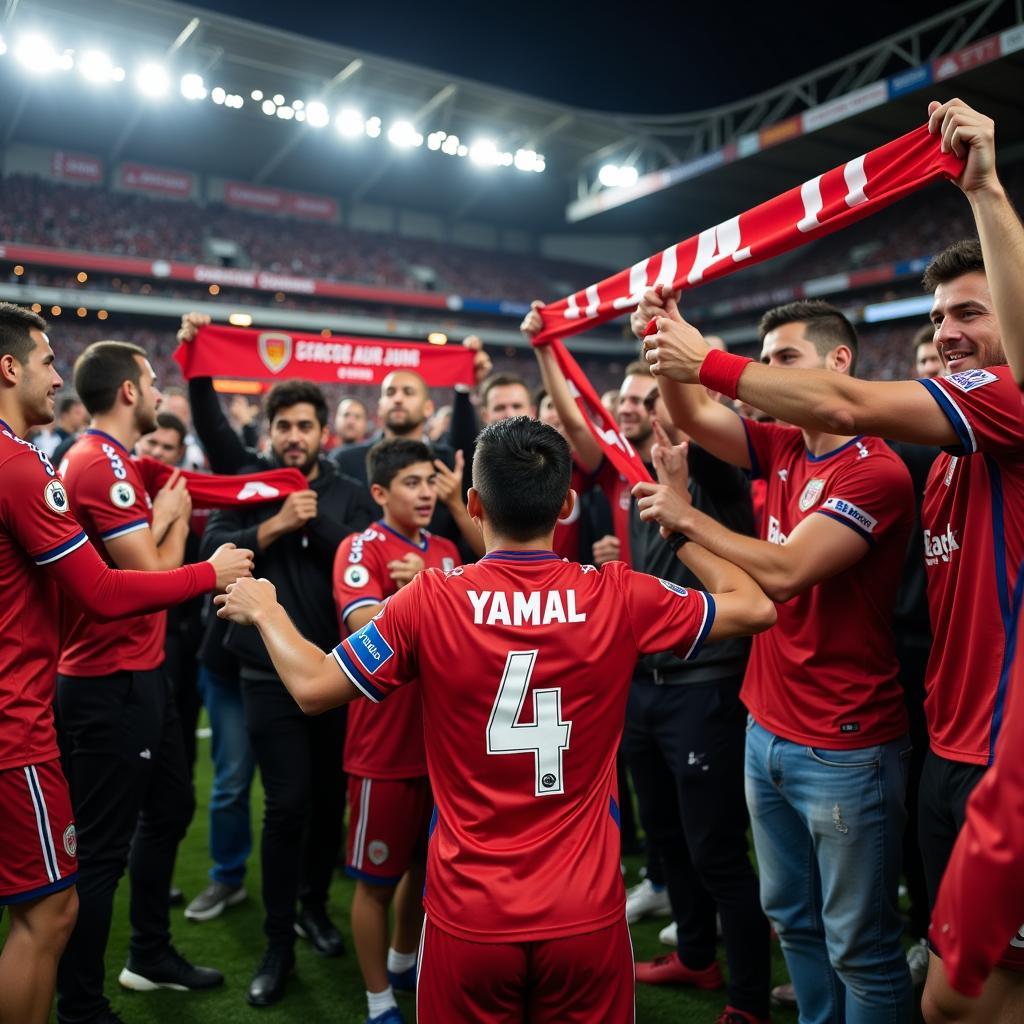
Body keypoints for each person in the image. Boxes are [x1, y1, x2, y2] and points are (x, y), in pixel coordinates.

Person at [641, 97, 1024, 1021]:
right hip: (890, 738)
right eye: (937, 319)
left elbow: (780, 572)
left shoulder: (918, 452)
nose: (945, 333)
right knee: (809, 925)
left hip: (896, 749)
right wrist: (664, 345)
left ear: (838, 363)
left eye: (969, 311)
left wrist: (687, 509)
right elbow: (694, 418)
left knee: (907, 971)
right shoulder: (907, 468)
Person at [216, 415, 777, 1023]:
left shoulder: (429, 599)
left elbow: (314, 687)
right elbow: (755, 606)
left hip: (469, 913)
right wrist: (680, 523)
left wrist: (267, 611)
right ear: (565, 505)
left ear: (474, 503)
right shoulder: (618, 593)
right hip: (584, 911)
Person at [0, 303, 251, 1024]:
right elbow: (114, 591)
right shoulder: (49, 464)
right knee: (51, 907)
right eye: (48, 361)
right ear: (11, 366)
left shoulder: (57, 459)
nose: (58, 378)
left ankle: (145, 953)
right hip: (59, 698)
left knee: (153, 817)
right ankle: (84, 1003)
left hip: (85, 687)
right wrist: (210, 567)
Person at [529, 322, 770, 1023]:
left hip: (704, 684)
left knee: (717, 850)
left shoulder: (712, 463)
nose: (634, 410)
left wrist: (673, 356)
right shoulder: (623, 469)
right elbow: (578, 421)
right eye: (628, 400)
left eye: (648, 397)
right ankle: (696, 955)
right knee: (666, 839)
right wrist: (548, 348)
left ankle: (750, 1001)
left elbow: (688, 408)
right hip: (643, 687)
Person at [333, 439, 462, 1024]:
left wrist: (433, 582)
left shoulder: (448, 549)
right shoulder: (360, 547)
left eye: (430, 481)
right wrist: (417, 591)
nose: (427, 492)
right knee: (375, 881)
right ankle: (378, 998)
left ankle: (404, 959)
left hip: (441, 747)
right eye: (411, 482)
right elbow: (360, 625)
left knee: (423, 868)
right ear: (380, 493)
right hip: (381, 746)